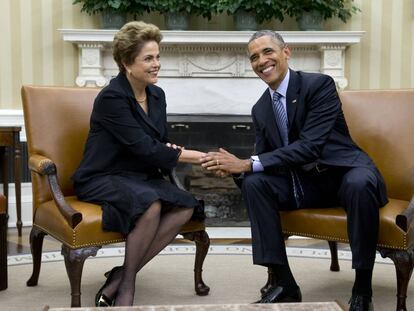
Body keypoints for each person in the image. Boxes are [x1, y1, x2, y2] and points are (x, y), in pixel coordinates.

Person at [201, 30, 387, 311]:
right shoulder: (261, 108)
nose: (261, 61)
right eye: (254, 57)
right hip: (306, 184)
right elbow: (265, 159)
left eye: (267, 52)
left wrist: (247, 163)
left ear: (286, 52)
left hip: (345, 172)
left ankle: (362, 289)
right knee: (255, 184)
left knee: (359, 184)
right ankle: (285, 284)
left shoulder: (318, 85)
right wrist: (235, 169)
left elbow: (310, 146)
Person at [72, 21, 206, 307]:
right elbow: (144, 147)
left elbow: (159, 142)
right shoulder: (112, 97)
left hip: (140, 177)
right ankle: (127, 286)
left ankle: (121, 274)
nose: (157, 64)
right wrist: (200, 157)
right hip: (102, 176)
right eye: (148, 58)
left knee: (186, 205)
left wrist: (169, 150)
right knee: (151, 204)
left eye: (157, 56)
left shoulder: (157, 95)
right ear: (126, 63)